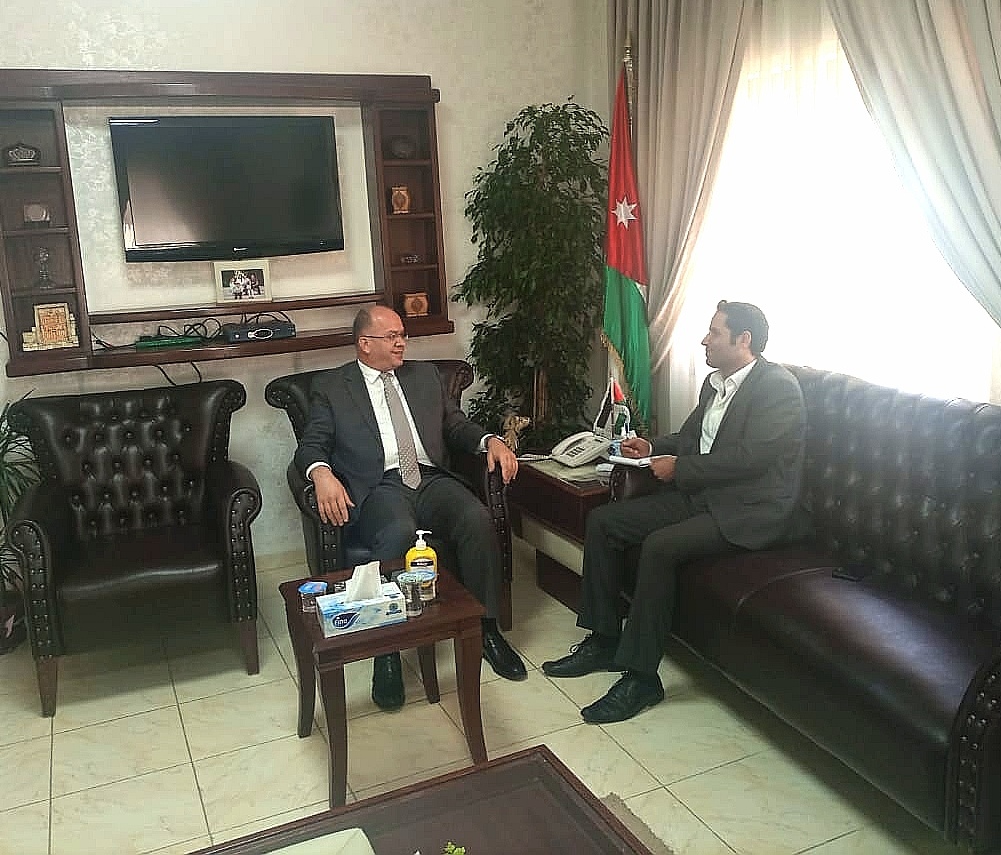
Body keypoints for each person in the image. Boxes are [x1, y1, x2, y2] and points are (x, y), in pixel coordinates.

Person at [542, 300, 806, 723]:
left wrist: (680, 468)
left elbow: (751, 459)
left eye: (714, 333)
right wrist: (651, 446)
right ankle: (605, 640)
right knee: (604, 522)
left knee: (660, 547)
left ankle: (642, 678)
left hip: (749, 509)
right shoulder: (715, 383)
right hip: (704, 494)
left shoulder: (777, 388)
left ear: (744, 340)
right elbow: (692, 439)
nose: (704, 340)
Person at [294, 305, 527, 710]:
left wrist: (490, 440)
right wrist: (321, 473)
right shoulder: (333, 386)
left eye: (403, 335)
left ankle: (486, 629)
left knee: (476, 518)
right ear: (365, 344)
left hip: (430, 478)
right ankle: (386, 653)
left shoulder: (424, 376)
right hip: (379, 486)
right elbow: (312, 443)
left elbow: (455, 425)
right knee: (397, 533)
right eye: (392, 336)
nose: (402, 342)